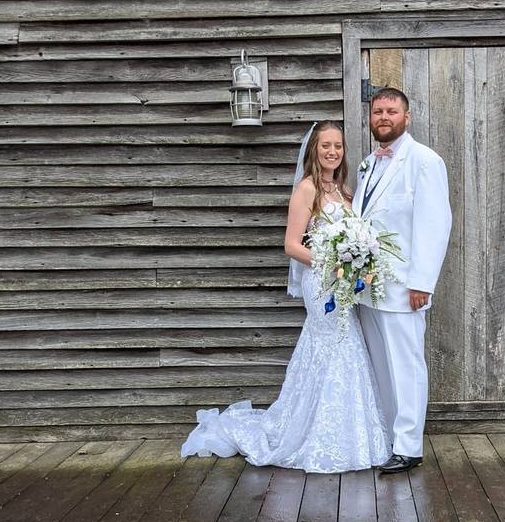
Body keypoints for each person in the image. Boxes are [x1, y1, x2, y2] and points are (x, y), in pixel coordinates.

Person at [180, 121, 391, 473]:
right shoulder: (307, 189)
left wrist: (356, 262)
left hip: (342, 284)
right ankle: (309, 433)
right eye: (326, 145)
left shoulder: (345, 191)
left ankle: (348, 434)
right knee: (331, 343)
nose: (332, 151)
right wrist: (332, 262)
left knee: (347, 344)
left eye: (338, 145)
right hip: (321, 281)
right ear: (314, 149)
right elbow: (292, 245)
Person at [354, 87, 452, 474]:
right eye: (377, 111)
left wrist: (422, 283)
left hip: (404, 288)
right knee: (382, 365)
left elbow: (435, 224)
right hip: (369, 288)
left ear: (406, 117)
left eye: (391, 111)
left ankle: (409, 446)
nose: (383, 117)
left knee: (407, 365)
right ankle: (391, 437)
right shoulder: (368, 164)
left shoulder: (425, 161)